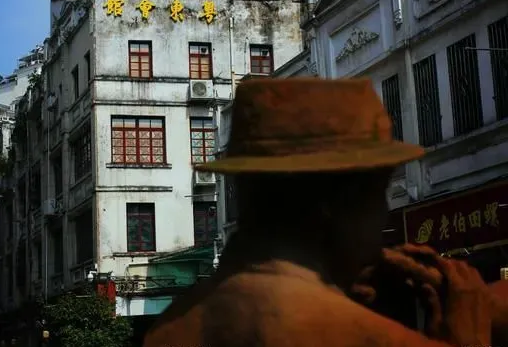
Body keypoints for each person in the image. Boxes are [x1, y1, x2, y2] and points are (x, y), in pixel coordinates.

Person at [144, 77, 492, 347]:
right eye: (378, 196)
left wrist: (332, 287)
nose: (384, 216)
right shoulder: (369, 337)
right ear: (337, 205)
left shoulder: (171, 328)